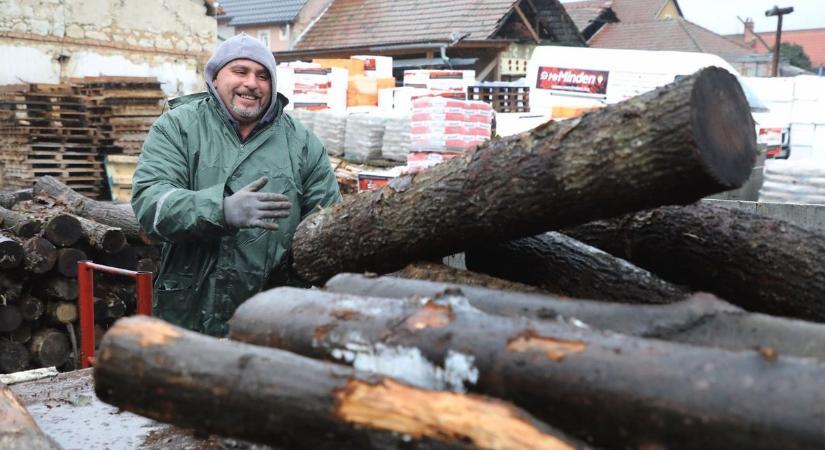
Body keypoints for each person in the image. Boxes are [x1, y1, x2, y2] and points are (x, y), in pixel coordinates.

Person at [131, 34, 342, 336]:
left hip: (273, 317)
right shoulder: (178, 127)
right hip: (186, 314)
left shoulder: (302, 143)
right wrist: (221, 209)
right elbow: (151, 205)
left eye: (263, 76)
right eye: (240, 71)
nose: (252, 84)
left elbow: (327, 224)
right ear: (215, 78)